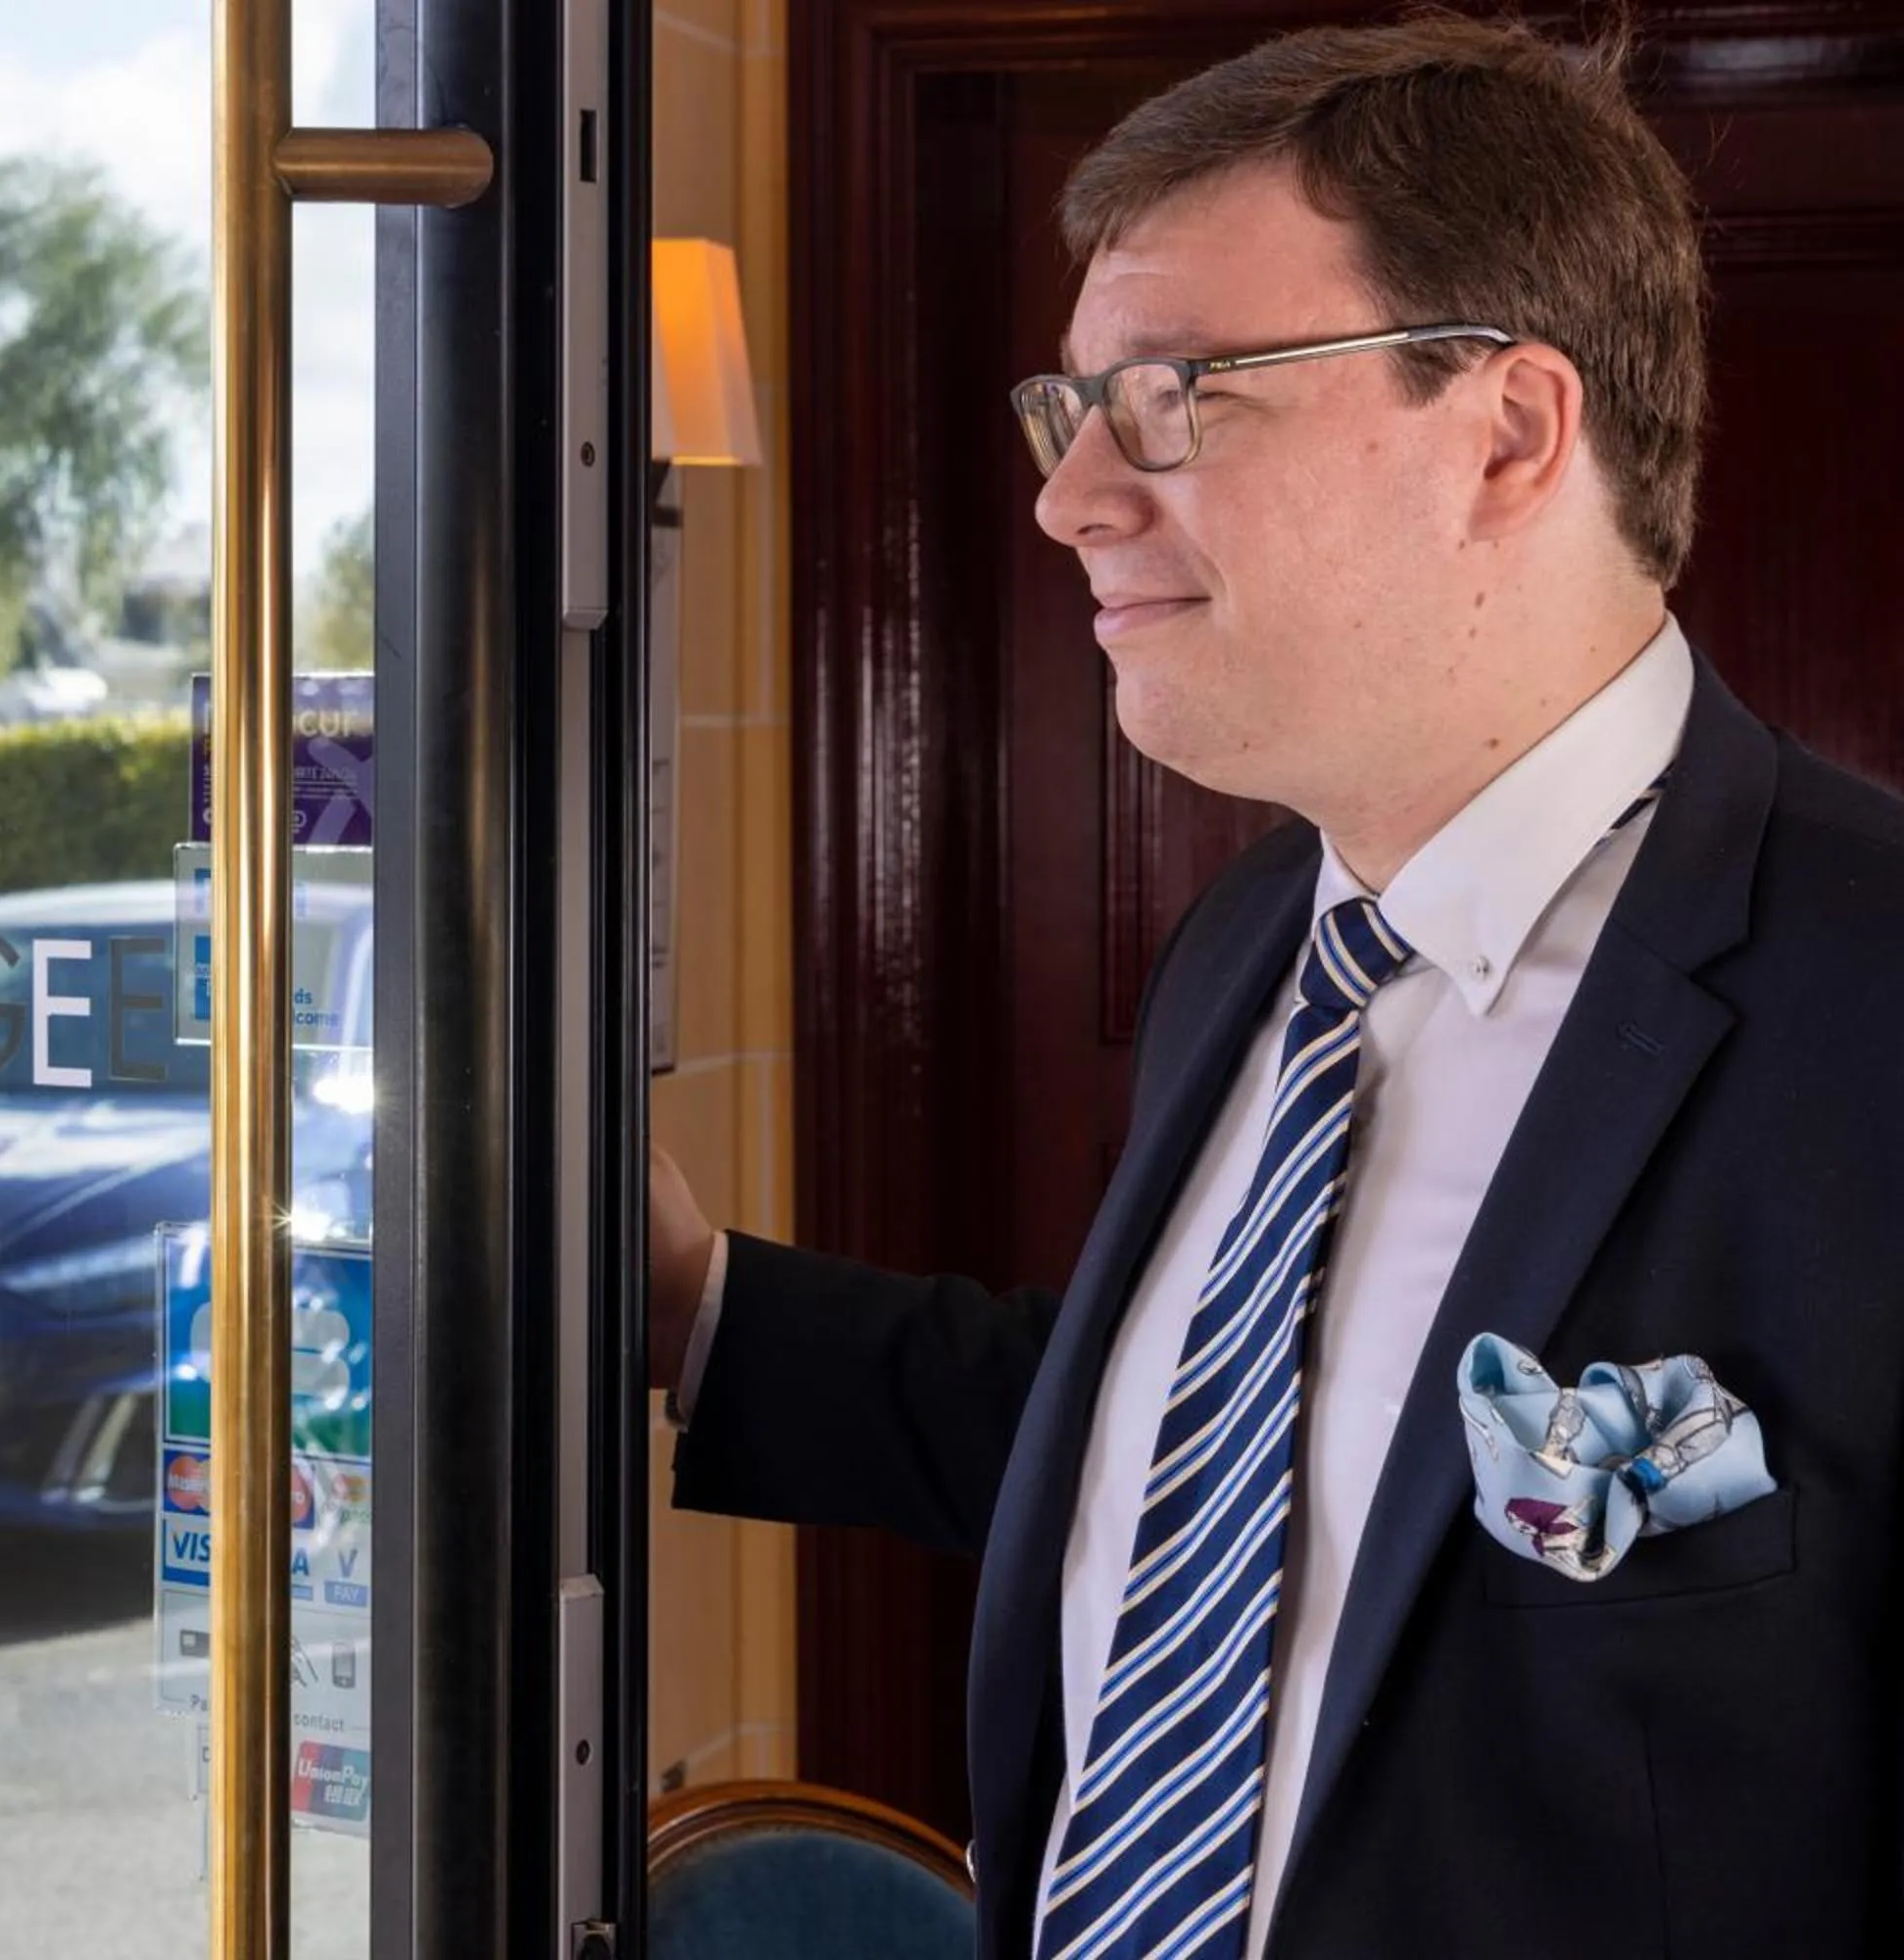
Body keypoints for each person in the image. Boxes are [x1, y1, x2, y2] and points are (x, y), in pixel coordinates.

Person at [651, 18, 1904, 1959]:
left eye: (1171, 397)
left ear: (1506, 431)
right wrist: (687, 1307)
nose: (1072, 500)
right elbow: (1237, 1470)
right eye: (1065, 412)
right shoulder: (1254, 948)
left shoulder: (1872, 997)